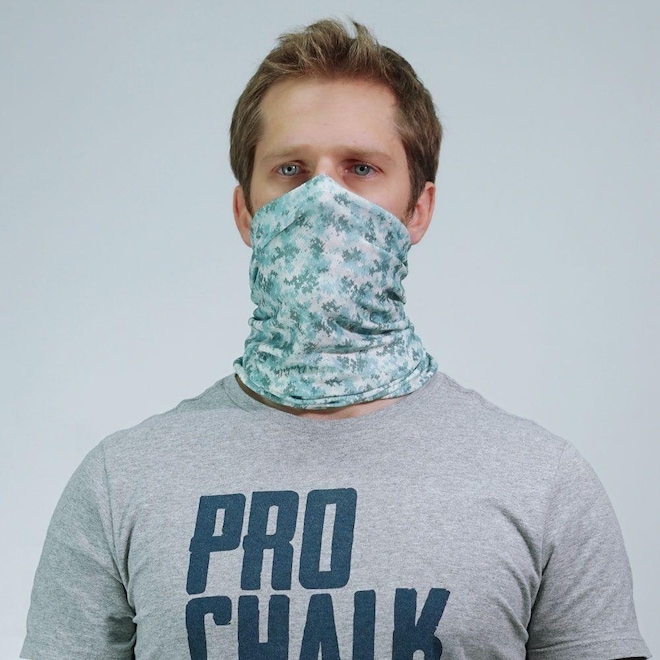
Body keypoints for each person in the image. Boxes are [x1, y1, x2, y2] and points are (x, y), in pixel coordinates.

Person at [21, 18, 650, 660]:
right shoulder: (121, 483)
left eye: (361, 168)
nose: (323, 199)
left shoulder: (542, 484)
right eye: (291, 169)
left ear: (418, 210)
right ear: (246, 212)